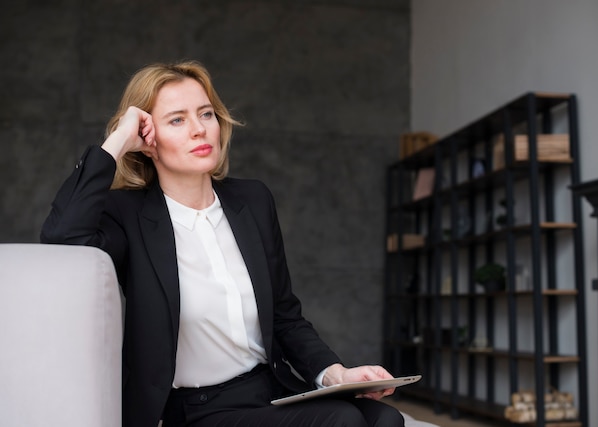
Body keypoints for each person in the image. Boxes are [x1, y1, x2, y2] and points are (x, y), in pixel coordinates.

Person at [41, 60, 405, 427]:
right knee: (342, 421)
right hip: (197, 410)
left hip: (269, 389)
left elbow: (284, 316)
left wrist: (335, 375)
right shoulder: (129, 215)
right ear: (148, 141)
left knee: (384, 421)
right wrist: (119, 140)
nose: (200, 130)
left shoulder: (252, 201)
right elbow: (64, 238)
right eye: (177, 120)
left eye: (206, 114)